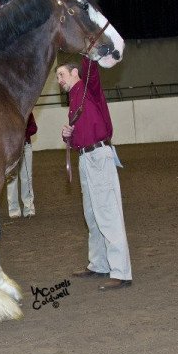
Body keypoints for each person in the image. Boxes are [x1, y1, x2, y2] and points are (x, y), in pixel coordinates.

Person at [56, 57, 132, 291]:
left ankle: (121, 271)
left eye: (61, 75)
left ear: (75, 72)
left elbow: (91, 67)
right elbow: (80, 133)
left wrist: (86, 46)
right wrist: (67, 134)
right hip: (86, 158)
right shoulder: (73, 97)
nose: (59, 81)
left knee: (107, 213)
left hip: (98, 156)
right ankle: (99, 264)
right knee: (92, 213)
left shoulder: (88, 86)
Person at [7, 113, 37, 219]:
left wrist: (24, 133)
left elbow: (34, 128)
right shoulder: (8, 112)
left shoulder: (27, 112)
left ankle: (29, 208)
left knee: (27, 177)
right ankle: (14, 209)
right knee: (11, 179)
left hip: (25, 146)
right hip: (11, 148)